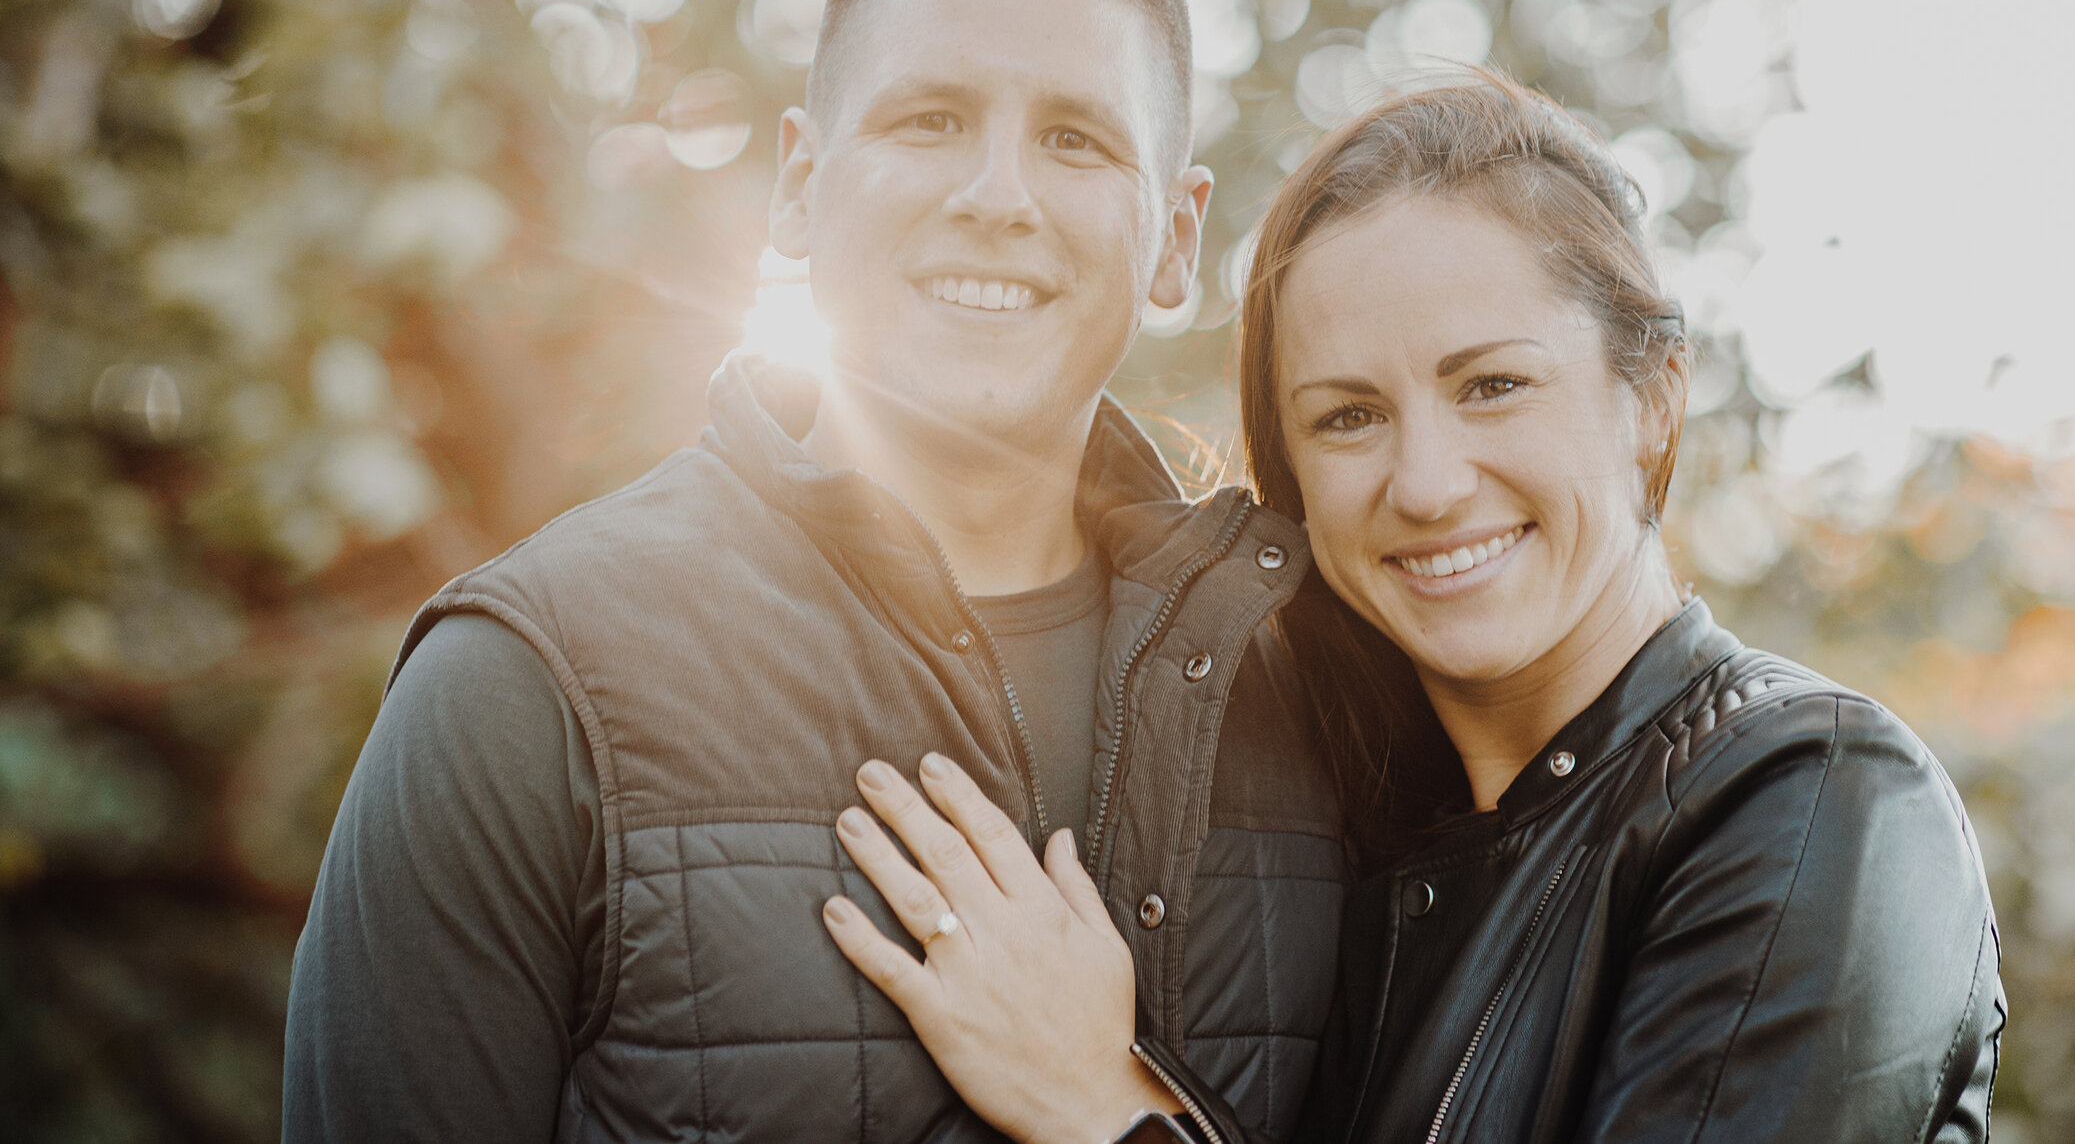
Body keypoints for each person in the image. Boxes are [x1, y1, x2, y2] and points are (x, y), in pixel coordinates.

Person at [283, 0, 1347, 1143]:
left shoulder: (1328, 693)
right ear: (798, 183)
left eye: (1076, 139)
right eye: (930, 119)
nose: (997, 194)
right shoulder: (528, 682)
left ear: (1175, 238)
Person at [819, 73, 2005, 1143]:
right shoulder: (1341, 847)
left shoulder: (1808, 799)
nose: (1427, 483)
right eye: (1347, 416)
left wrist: (1108, 1111)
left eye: (1493, 385)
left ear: (1652, 398)